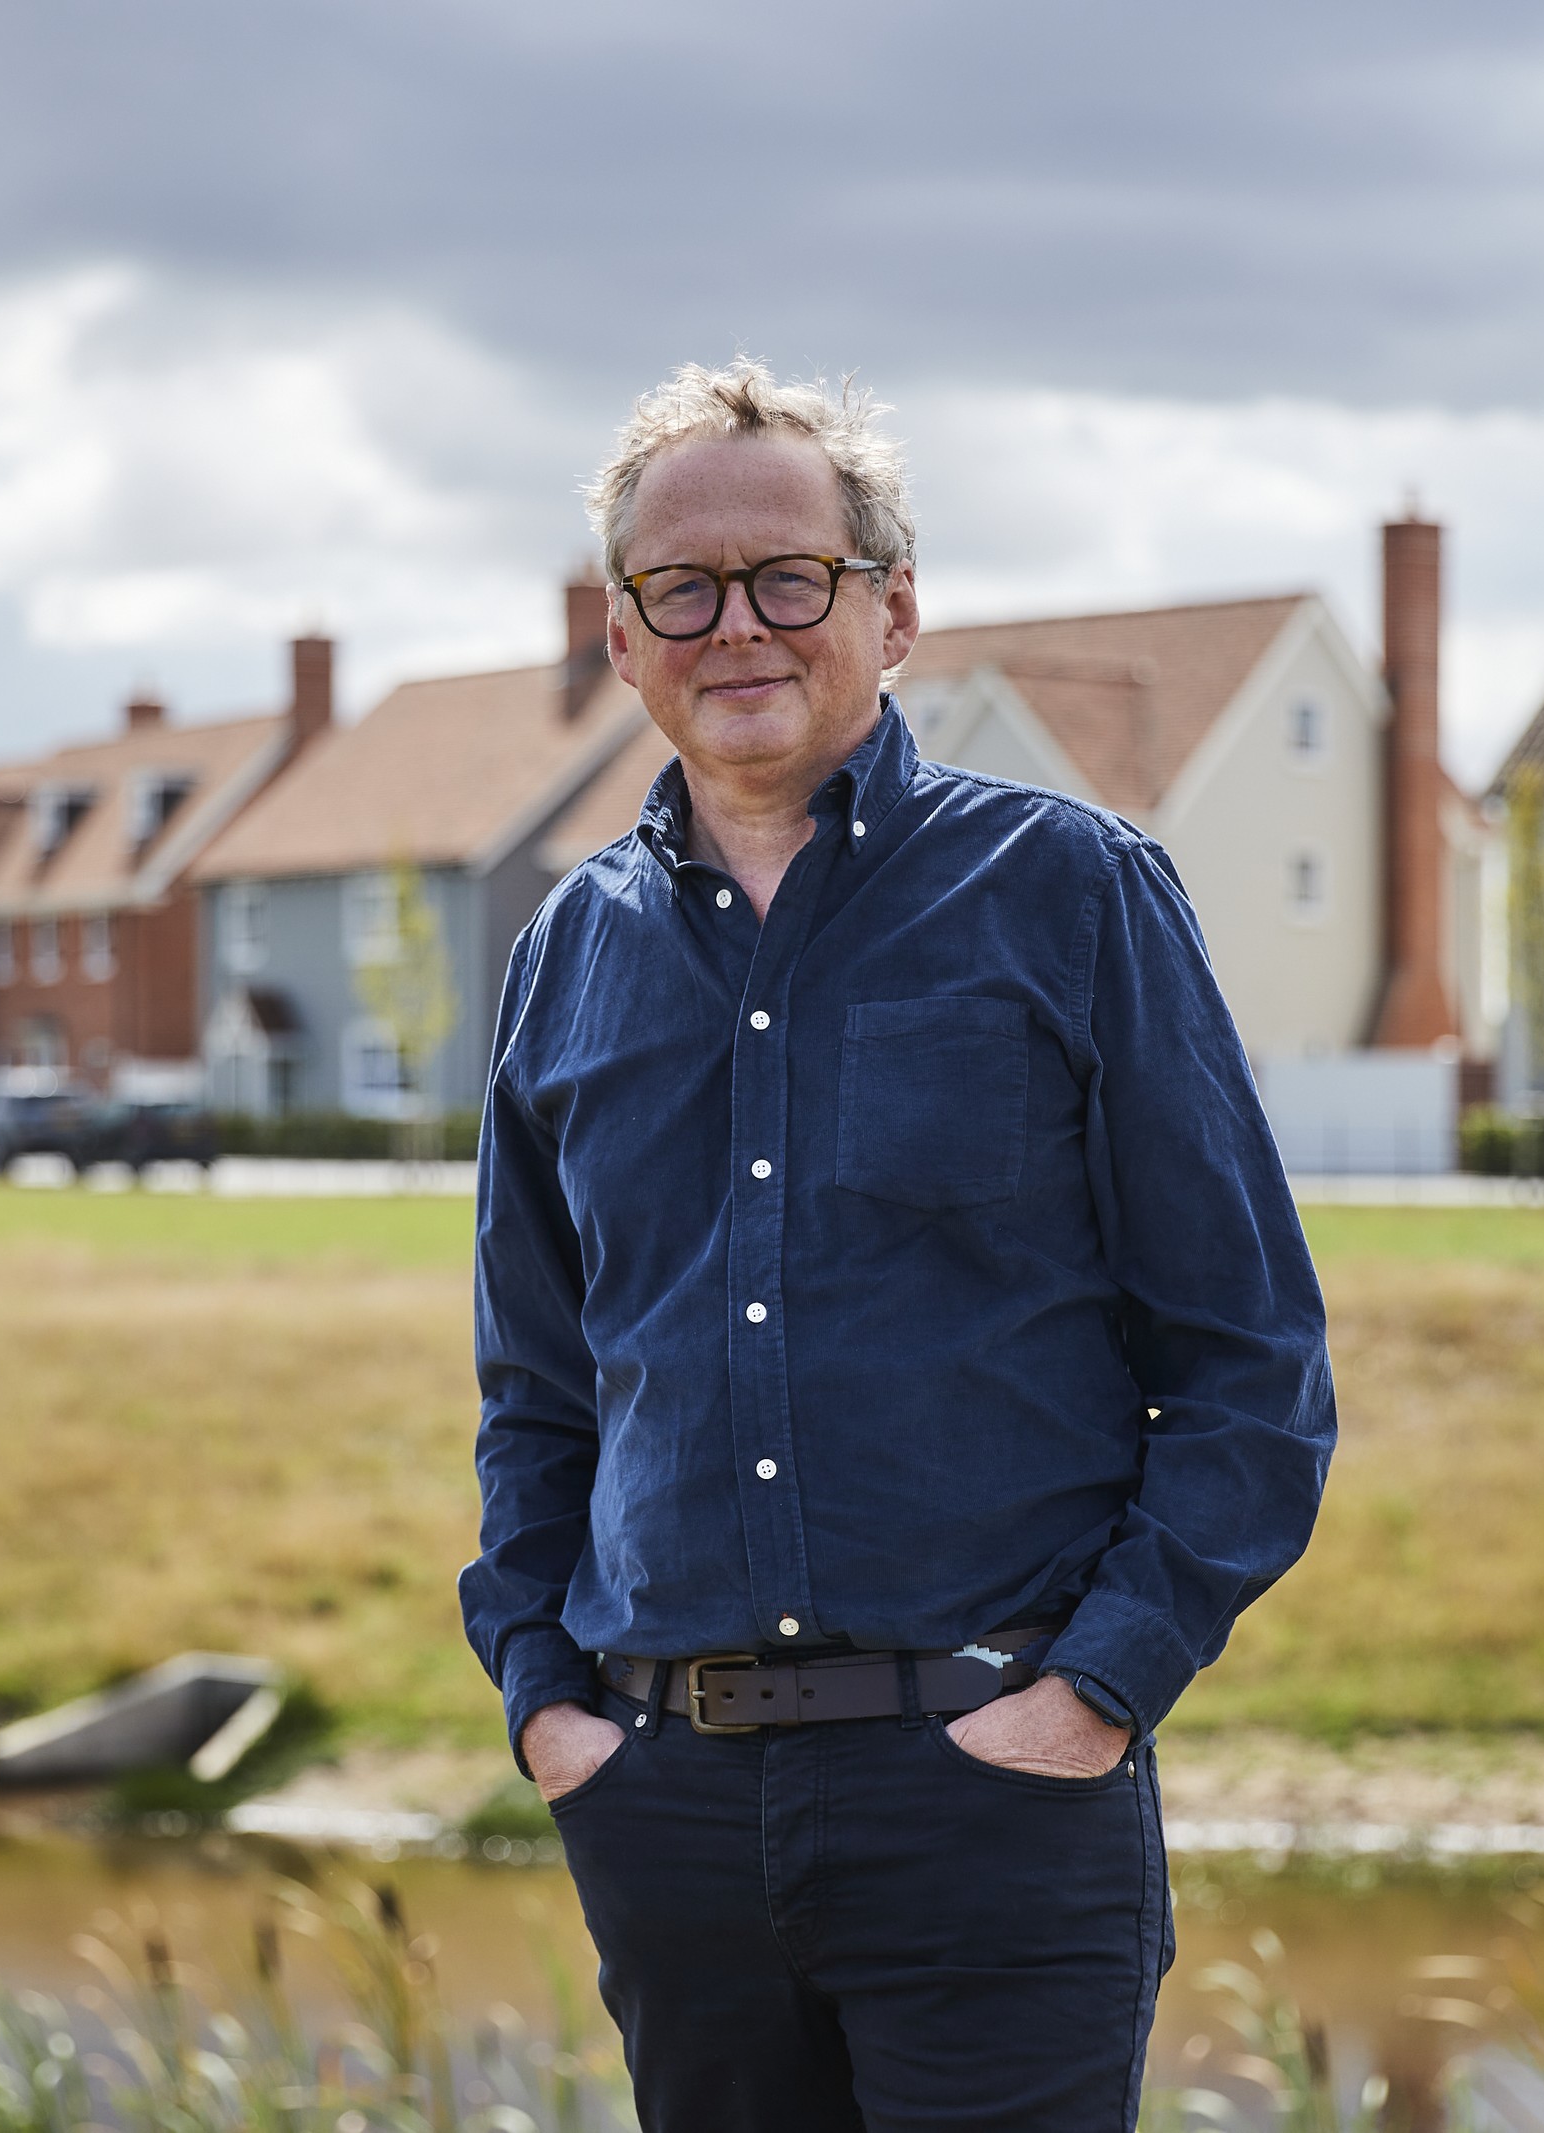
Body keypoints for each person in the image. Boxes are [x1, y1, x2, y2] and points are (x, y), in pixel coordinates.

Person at [460, 361, 1337, 2132]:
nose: (739, 624)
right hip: (671, 1809)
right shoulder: (568, 954)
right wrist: (551, 1702)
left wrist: (1095, 1694)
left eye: (792, 575)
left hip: (993, 1794)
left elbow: (1251, 1368)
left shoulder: (1075, 895)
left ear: (895, 609)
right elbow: (540, 1393)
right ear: (624, 642)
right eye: (680, 588)